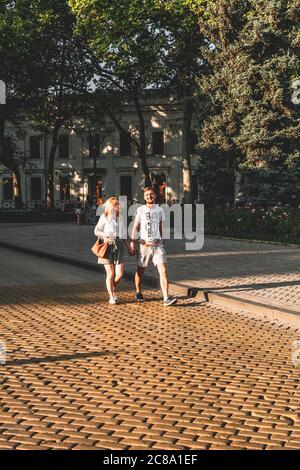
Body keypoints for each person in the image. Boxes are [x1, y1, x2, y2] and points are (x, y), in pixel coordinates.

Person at [130, 186, 177, 307]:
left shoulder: (160, 210)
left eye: (151, 194)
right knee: (141, 270)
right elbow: (135, 227)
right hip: (144, 245)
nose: (149, 196)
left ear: (155, 196)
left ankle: (166, 297)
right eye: (146, 195)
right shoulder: (140, 210)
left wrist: (163, 240)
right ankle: (138, 291)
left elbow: (162, 227)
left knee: (163, 271)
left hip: (157, 245)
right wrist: (132, 241)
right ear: (144, 197)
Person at [94, 197, 134, 304]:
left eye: (119, 205)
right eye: (117, 205)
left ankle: (112, 288)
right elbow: (96, 231)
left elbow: (123, 235)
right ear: (111, 206)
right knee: (110, 274)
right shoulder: (104, 217)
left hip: (119, 245)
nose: (119, 206)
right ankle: (111, 296)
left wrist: (129, 248)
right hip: (107, 245)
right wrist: (106, 234)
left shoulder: (120, 217)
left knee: (120, 274)